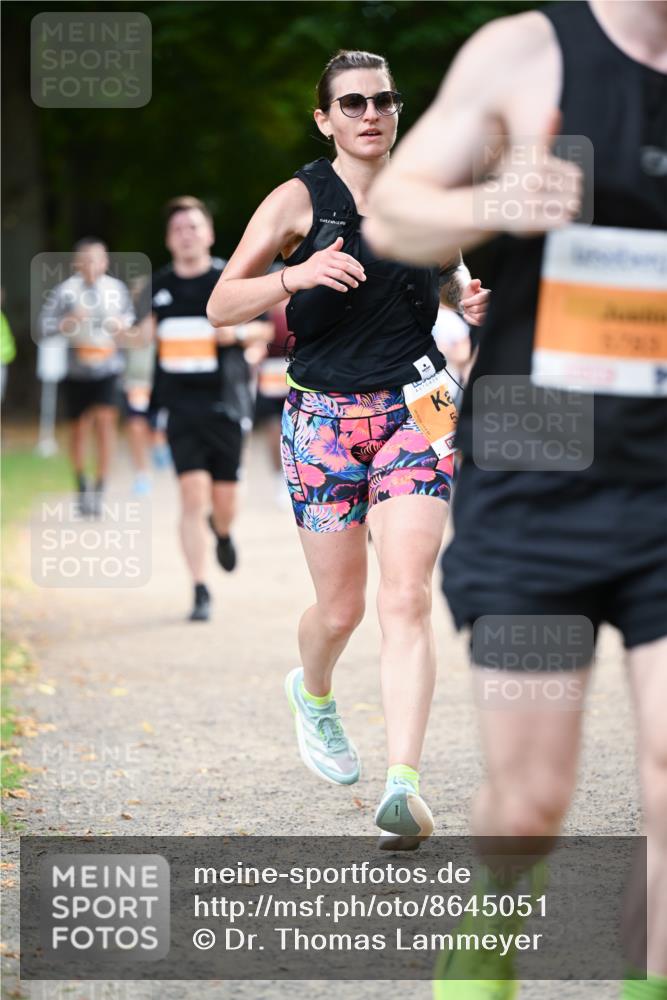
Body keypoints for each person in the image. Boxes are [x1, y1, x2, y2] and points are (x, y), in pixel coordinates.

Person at [364, 0, 666, 994]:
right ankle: (484, 947)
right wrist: (491, 201)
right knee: (530, 803)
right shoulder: (526, 52)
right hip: (541, 486)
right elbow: (394, 210)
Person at [207, 49, 489, 848]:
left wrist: (464, 297)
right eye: (354, 103)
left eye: (384, 100)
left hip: (419, 407)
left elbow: (443, 271)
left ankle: (403, 784)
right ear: (325, 119)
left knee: (405, 595)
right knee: (340, 609)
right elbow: (224, 301)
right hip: (322, 415)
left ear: (398, 111)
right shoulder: (300, 200)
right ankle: (316, 693)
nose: (372, 114)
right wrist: (296, 279)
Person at [138, 196, 272, 622]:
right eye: (178, 229)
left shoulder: (228, 279)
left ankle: (224, 530)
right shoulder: (157, 286)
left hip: (226, 403)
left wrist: (237, 335)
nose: (186, 235)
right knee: (191, 495)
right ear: (168, 239)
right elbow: (135, 336)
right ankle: (199, 588)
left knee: (224, 499)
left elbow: (266, 329)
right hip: (179, 405)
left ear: (209, 234)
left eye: (193, 227)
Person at [39, 238, 134, 515]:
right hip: (76, 371)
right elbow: (43, 326)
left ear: (105, 262)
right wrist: (66, 322)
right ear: (76, 263)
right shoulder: (65, 292)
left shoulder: (116, 290)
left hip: (108, 369)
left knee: (106, 426)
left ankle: (100, 488)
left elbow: (129, 323)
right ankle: (81, 485)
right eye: (87, 259)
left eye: (99, 259)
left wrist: (122, 327)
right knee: (79, 430)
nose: (93, 265)